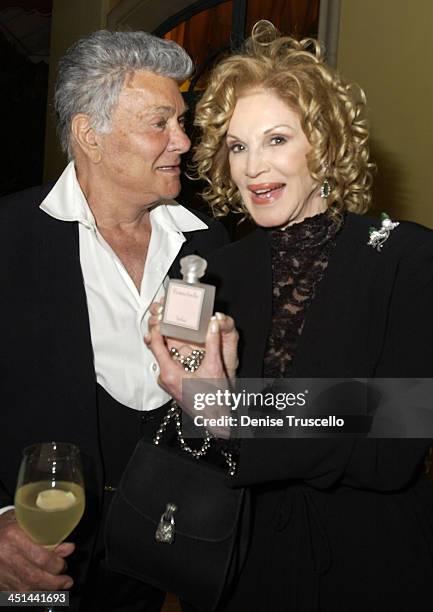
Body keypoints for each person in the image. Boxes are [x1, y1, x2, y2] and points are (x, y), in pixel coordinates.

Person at [145, 22, 433, 611]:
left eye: (276, 139)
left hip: (371, 565)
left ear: (323, 144)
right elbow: (191, 437)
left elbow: (397, 431)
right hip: (238, 566)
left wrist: (230, 410)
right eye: (238, 146)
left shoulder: (406, 255)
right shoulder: (208, 270)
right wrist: (183, 383)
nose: (254, 168)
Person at [0, 30, 228, 611]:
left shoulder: (210, 245)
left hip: (153, 563)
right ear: (90, 135)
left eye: (182, 122)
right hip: (29, 565)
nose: (183, 141)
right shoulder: (8, 238)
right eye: (161, 123)